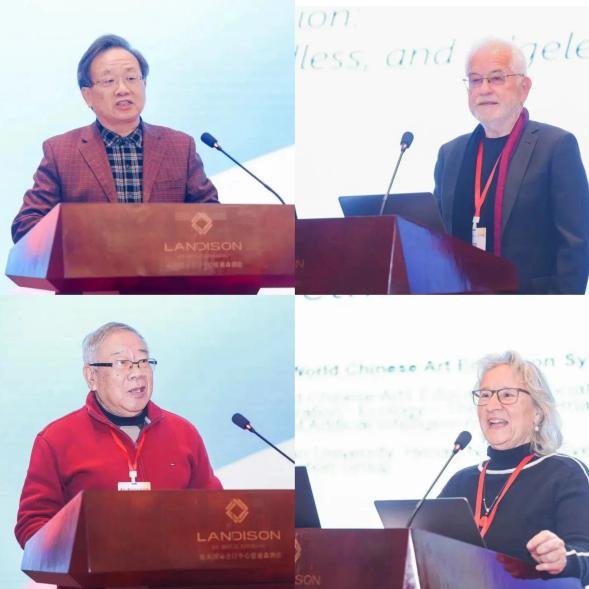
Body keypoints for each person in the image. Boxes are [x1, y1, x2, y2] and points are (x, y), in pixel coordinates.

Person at [15, 322, 222, 548]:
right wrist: (89, 548)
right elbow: (32, 526)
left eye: (143, 361)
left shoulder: (183, 433)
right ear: (91, 376)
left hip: (174, 569)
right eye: (122, 363)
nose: (137, 373)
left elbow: (215, 511)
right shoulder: (56, 439)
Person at [11, 35, 218, 243]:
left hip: (167, 263)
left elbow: (213, 218)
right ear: (87, 95)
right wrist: (82, 239)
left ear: (144, 84)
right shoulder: (60, 152)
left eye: (131, 78)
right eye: (109, 81)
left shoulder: (180, 147)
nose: (123, 89)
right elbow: (26, 225)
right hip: (90, 262)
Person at [433, 38, 589, 294]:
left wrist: (562, 309)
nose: (484, 89)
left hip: (534, 305)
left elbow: (575, 244)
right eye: (475, 80)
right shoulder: (450, 154)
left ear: (524, 88)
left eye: (496, 78)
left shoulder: (555, 146)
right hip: (463, 303)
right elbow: (437, 240)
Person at [439, 351, 589, 585]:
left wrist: (564, 559)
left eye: (507, 395)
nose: (492, 405)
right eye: (485, 395)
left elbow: (585, 553)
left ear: (538, 412)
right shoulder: (462, 481)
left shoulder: (565, 473)